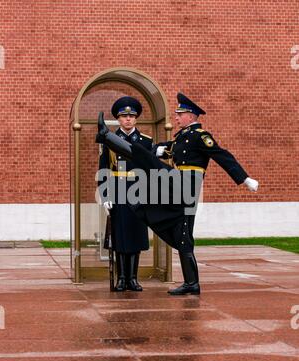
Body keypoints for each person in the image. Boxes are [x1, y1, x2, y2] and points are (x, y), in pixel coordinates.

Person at [96, 93, 259, 296]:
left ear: (191, 116)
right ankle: (191, 283)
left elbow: (222, 155)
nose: (177, 117)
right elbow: (162, 151)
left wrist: (244, 179)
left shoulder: (201, 136)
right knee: (182, 236)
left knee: (146, 159)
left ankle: (106, 135)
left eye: (180, 114)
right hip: (176, 186)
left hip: (187, 186)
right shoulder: (180, 137)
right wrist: (154, 151)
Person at [98, 96, 153, 291]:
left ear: (136, 118)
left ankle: (133, 278)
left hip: (139, 195)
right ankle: (121, 278)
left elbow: (151, 170)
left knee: (136, 236)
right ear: (118, 120)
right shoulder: (110, 141)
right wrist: (105, 198)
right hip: (118, 193)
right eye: (124, 116)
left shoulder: (146, 142)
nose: (128, 119)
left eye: (131, 116)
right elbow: (103, 170)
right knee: (120, 237)